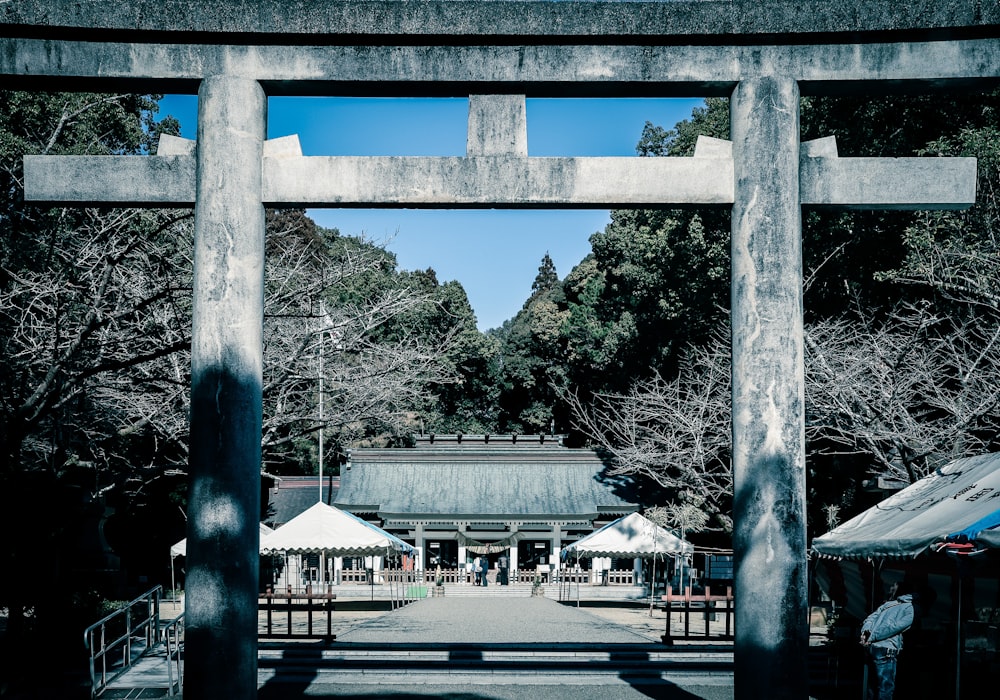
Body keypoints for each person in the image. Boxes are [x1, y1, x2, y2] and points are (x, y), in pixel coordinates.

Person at [859, 581, 916, 700]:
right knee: (885, 688)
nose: (890, 588)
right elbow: (894, 628)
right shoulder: (910, 608)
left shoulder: (888, 604)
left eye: (893, 586)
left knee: (873, 687)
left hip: (873, 647)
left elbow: (869, 619)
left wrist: (866, 634)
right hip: (886, 649)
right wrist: (871, 636)